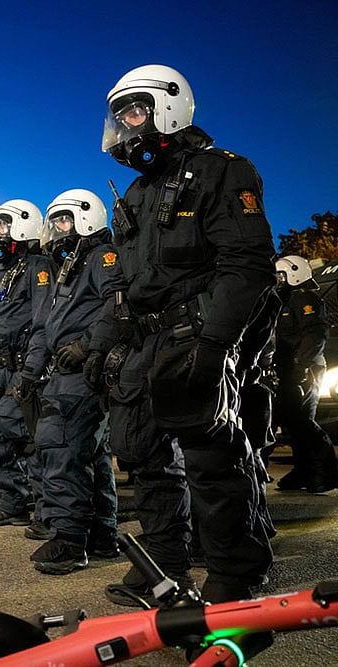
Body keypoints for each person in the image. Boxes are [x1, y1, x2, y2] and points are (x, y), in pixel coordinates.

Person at [94, 64, 275, 603]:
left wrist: (217, 343)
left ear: (168, 106)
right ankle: (165, 567)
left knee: (212, 459)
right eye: (120, 115)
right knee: (143, 454)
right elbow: (125, 285)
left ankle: (234, 576)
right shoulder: (137, 192)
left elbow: (248, 267)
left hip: (197, 331)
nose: (126, 125)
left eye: (135, 112)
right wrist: (97, 345)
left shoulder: (222, 172)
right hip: (145, 340)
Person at [25, 189, 124, 575]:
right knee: (90, 456)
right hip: (67, 370)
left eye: (64, 220)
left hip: (80, 373)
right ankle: (101, 537)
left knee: (63, 451)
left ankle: (69, 541)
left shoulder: (101, 257)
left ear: (86, 219)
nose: (57, 229)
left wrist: (87, 346)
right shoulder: (74, 264)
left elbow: (116, 302)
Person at [0, 200, 53, 529]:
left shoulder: (38, 267)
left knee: (25, 436)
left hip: (20, 365)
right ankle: (11, 503)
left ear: (23, 226)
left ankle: (48, 509)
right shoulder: (1, 273)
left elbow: (43, 322)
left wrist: (31, 371)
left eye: (3, 226)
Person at [272, 255, 338, 492]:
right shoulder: (285, 301)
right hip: (288, 369)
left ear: (294, 273)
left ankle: (327, 471)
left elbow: (315, 334)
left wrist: (302, 366)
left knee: (302, 421)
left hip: (304, 369)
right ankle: (304, 470)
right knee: (292, 422)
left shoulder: (306, 299)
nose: (278, 280)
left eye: (281, 275)